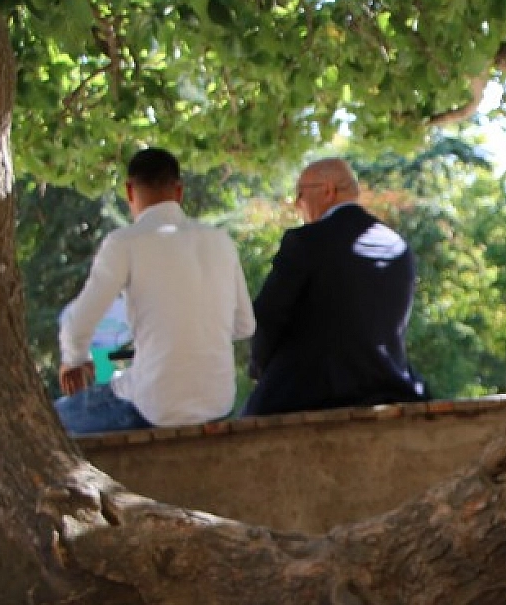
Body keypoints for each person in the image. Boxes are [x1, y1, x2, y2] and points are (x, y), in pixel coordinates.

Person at [55, 147, 255, 434]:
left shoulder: (125, 242)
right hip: (218, 405)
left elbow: (77, 323)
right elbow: (244, 325)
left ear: (129, 191)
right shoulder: (221, 241)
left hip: (154, 407)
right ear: (179, 190)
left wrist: (73, 361)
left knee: (48, 422)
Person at [243, 157, 428, 416]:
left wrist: (260, 369)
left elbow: (269, 315)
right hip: (390, 387)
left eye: (300, 194)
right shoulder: (398, 246)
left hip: (308, 395)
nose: (298, 205)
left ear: (328, 190)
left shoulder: (307, 242)